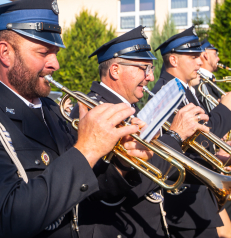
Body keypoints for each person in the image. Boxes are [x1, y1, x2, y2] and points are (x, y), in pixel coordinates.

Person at [0, 0, 145, 238]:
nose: (55, 64)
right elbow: (9, 218)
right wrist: (88, 150)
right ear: (5, 53)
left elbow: (88, 194)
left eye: (56, 52)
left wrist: (122, 165)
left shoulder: (51, 108)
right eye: (43, 52)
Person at [70, 26, 209, 238]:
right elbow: (124, 184)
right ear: (115, 70)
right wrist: (175, 136)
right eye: (144, 68)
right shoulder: (93, 111)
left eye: (151, 69)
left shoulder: (123, 109)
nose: (150, 77)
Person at [151, 26, 231, 238]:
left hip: (198, 200)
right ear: (174, 60)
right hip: (183, 205)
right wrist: (226, 109)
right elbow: (199, 139)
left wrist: (218, 156)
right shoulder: (166, 92)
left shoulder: (183, 90)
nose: (199, 61)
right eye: (194, 56)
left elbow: (198, 142)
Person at [194, 39, 221, 112]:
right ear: (205, 56)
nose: (218, 58)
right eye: (215, 55)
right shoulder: (197, 81)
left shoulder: (209, 79)